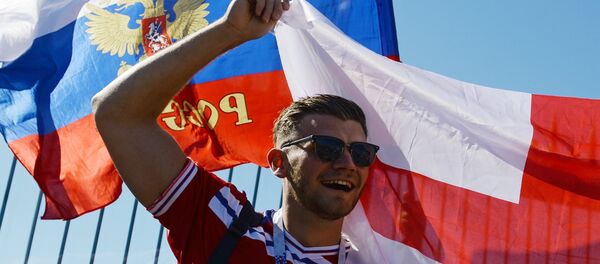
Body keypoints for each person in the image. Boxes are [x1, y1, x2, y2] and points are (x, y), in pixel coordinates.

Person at [92, 0, 380, 263]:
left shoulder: (387, 257)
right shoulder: (226, 226)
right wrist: (230, 31)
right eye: (327, 147)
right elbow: (117, 114)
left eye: (361, 153)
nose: (347, 164)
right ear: (279, 163)